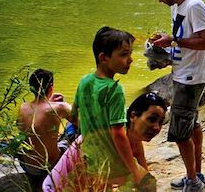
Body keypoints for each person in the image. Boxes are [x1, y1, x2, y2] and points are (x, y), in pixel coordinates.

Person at [149, 0, 205, 192]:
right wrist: (165, 45)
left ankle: (193, 182)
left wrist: (174, 39)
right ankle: (195, 174)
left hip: (191, 77)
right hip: (182, 72)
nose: (159, 0)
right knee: (192, 125)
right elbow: (184, 38)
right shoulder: (177, 7)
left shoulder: (195, 6)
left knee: (180, 132)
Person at [42, 92, 168, 192]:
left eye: (161, 122)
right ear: (133, 116)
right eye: (152, 119)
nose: (157, 127)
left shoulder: (133, 140)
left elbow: (144, 178)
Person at [72, 26, 146, 189]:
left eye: (130, 53)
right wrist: (133, 168)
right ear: (104, 57)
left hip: (91, 160)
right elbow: (118, 134)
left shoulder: (84, 81)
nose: (131, 59)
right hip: (114, 163)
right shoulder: (115, 90)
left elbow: (73, 117)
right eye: (124, 54)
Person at [17, 69, 74, 190]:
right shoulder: (60, 107)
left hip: (27, 166)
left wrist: (48, 100)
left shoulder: (23, 107)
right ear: (51, 87)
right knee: (73, 127)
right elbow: (82, 119)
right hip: (48, 167)